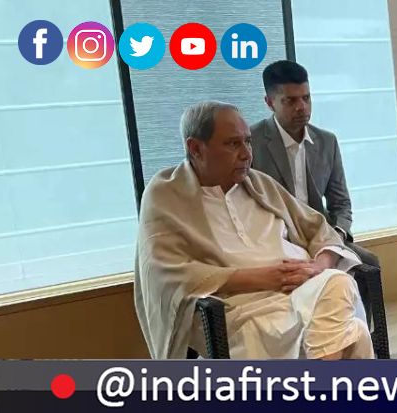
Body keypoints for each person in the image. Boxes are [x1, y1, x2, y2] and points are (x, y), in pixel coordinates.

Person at [134, 101, 374, 360]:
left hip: (304, 291)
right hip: (241, 308)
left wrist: (318, 267)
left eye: (247, 142)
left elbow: (320, 229)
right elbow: (165, 271)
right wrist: (265, 278)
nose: (247, 154)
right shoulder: (166, 194)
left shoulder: (259, 183)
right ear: (196, 148)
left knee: (337, 286)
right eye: (233, 144)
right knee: (354, 330)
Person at [249, 60, 380, 269]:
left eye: (306, 98)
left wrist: (336, 236)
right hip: (275, 240)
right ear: (270, 102)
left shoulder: (327, 142)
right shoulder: (250, 142)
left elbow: (341, 204)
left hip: (322, 237)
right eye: (290, 101)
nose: (301, 107)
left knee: (370, 262)